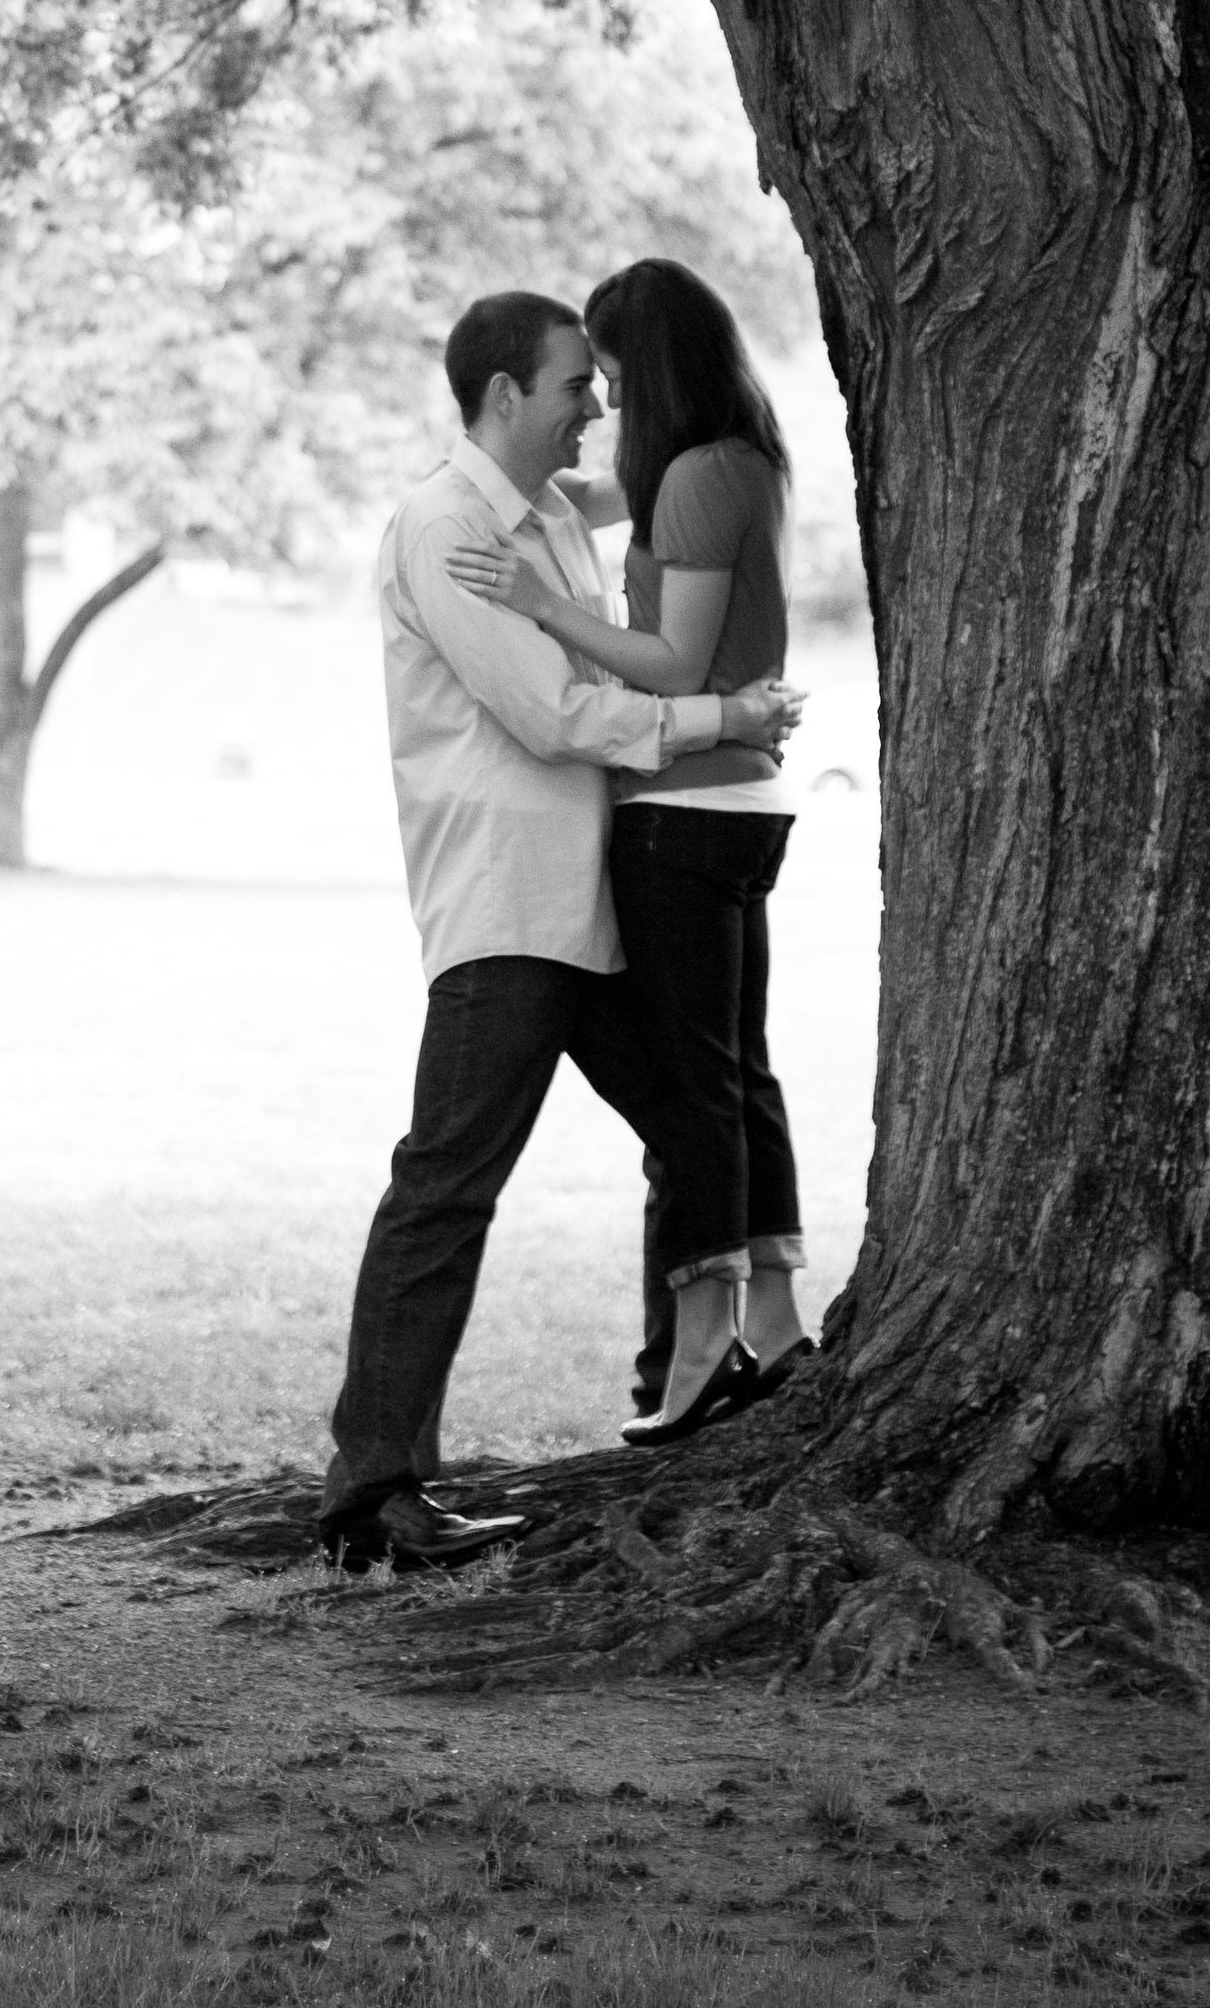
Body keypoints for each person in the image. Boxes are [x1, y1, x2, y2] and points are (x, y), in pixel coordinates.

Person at [321, 289, 801, 1576]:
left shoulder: (540, 522)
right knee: (446, 1186)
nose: (596, 402)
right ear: (502, 397)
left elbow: (603, 645)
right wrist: (720, 717)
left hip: (584, 896)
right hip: (507, 904)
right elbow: (548, 714)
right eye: (575, 385)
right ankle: (375, 1489)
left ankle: (693, 1378)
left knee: (690, 1119)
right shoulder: (448, 528)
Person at [445, 257, 812, 1446]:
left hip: (689, 807)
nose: (600, 401)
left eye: (608, 375)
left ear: (646, 369)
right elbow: (581, 497)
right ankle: (782, 1318)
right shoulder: (717, 464)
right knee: (737, 1072)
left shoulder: (702, 479)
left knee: (696, 1082)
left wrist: (540, 604)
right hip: (732, 804)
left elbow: (672, 664)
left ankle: (704, 1349)